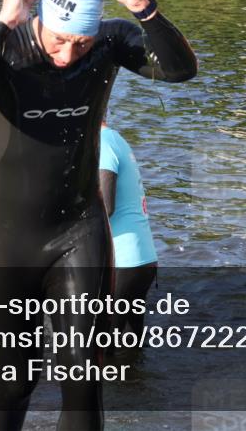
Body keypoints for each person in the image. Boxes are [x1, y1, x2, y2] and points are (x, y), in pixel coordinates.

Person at [0, 0, 197, 431]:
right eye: (59, 40)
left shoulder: (109, 43)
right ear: (37, 20)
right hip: (7, 238)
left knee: (84, 373)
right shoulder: (5, 45)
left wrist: (142, 6)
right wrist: (0, 22)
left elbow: (180, 70)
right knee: (15, 373)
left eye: (81, 43)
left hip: (78, 228)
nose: (68, 55)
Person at [99, 120, 158, 337]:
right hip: (142, 258)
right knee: (132, 345)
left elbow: (106, 206)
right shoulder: (116, 138)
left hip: (124, 262)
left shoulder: (103, 142)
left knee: (103, 345)